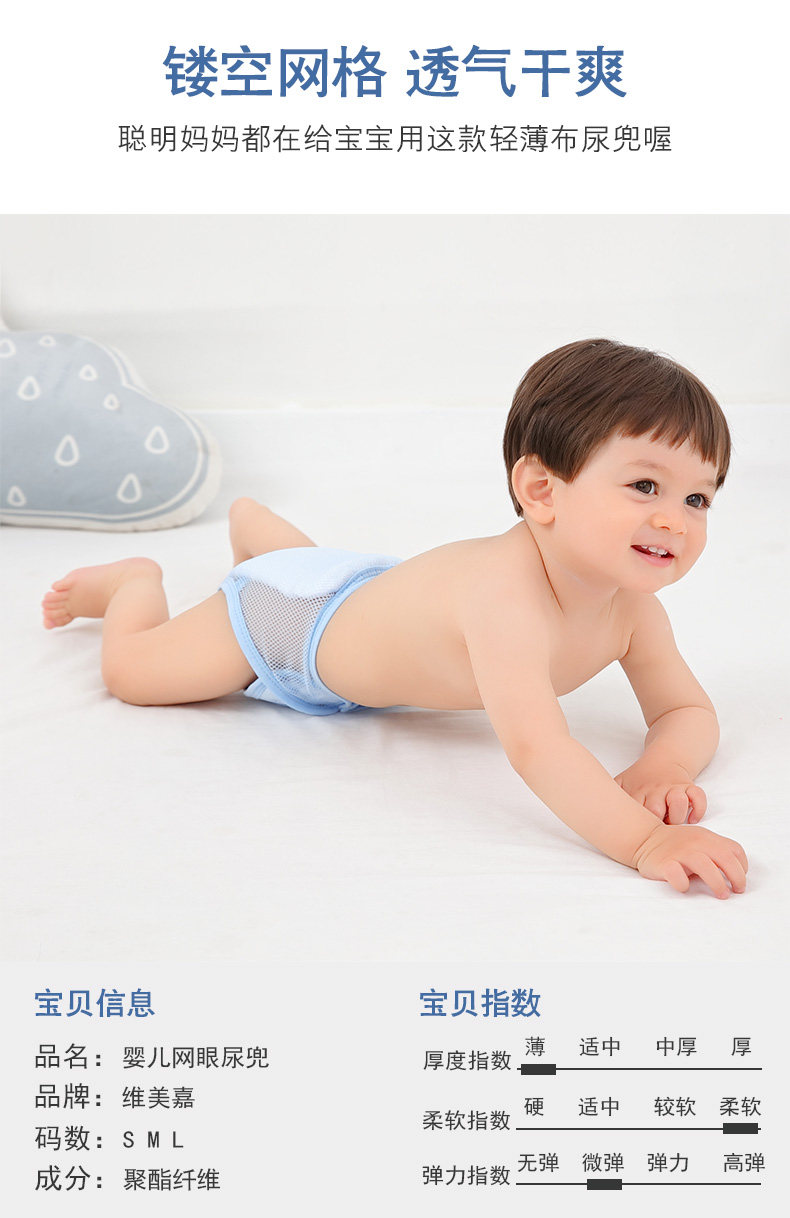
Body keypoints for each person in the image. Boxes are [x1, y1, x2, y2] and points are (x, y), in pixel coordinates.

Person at [41, 339, 748, 899]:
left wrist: (663, 763)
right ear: (541, 490)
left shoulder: (635, 612)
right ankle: (134, 584)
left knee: (323, 578)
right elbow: (539, 748)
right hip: (289, 628)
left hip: (360, 590)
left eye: (698, 499)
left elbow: (685, 709)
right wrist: (647, 841)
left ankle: (258, 528)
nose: (675, 520)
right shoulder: (506, 599)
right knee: (131, 675)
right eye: (645, 485)